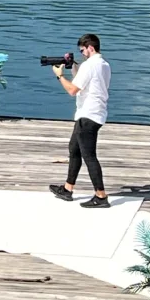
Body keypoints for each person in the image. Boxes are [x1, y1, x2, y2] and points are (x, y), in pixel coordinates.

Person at [48, 34, 112, 209]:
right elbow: (89, 83)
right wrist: (73, 68)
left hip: (88, 116)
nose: (82, 54)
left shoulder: (89, 65)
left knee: (89, 156)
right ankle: (68, 189)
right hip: (95, 114)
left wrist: (59, 75)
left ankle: (101, 196)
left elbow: (73, 90)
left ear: (90, 47)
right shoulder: (104, 65)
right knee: (74, 149)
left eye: (83, 50)